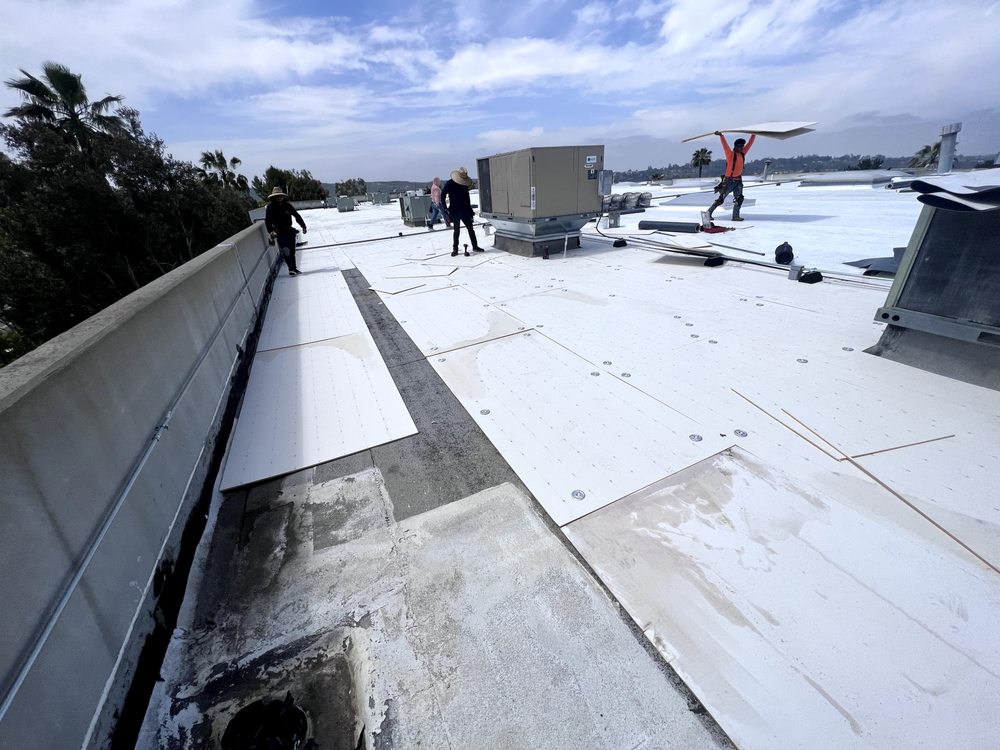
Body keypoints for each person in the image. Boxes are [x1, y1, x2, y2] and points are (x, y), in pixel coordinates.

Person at [707, 132, 756, 222]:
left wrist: (754, 134)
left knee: (739, 198)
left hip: (738, 181)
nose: (741, 148)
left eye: (742, 146)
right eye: (739, 146)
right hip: (729, 181)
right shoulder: (730, 154)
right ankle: (708, 213)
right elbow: (725, 146)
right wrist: (721, 136)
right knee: (721, 199)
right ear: (735, 146)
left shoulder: (742, 153)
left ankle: (735, 216)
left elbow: (750, 144)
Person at [264, 187, 307, 275]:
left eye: (280, 196)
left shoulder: (287, 206)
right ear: (274, 197)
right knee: (286, 250)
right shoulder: (270, 207)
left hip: (290, 231)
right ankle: (291, 269)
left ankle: (294, 269)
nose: (279, 198)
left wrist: (303, 226)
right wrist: (270, 231)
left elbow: (296, 215)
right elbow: (267, 220)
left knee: (292, 251)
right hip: (280, 232)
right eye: (277, 196)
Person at [441, 166, 482, 256]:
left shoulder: (464, 184)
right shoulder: (450, 183)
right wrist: (445, 208)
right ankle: (455, 249)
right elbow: (442, 195)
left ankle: (475, 246)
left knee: (471, 229)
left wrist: (470, 210)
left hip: (464, 210)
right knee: (456, 230)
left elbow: (467, 198)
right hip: (454, 210)